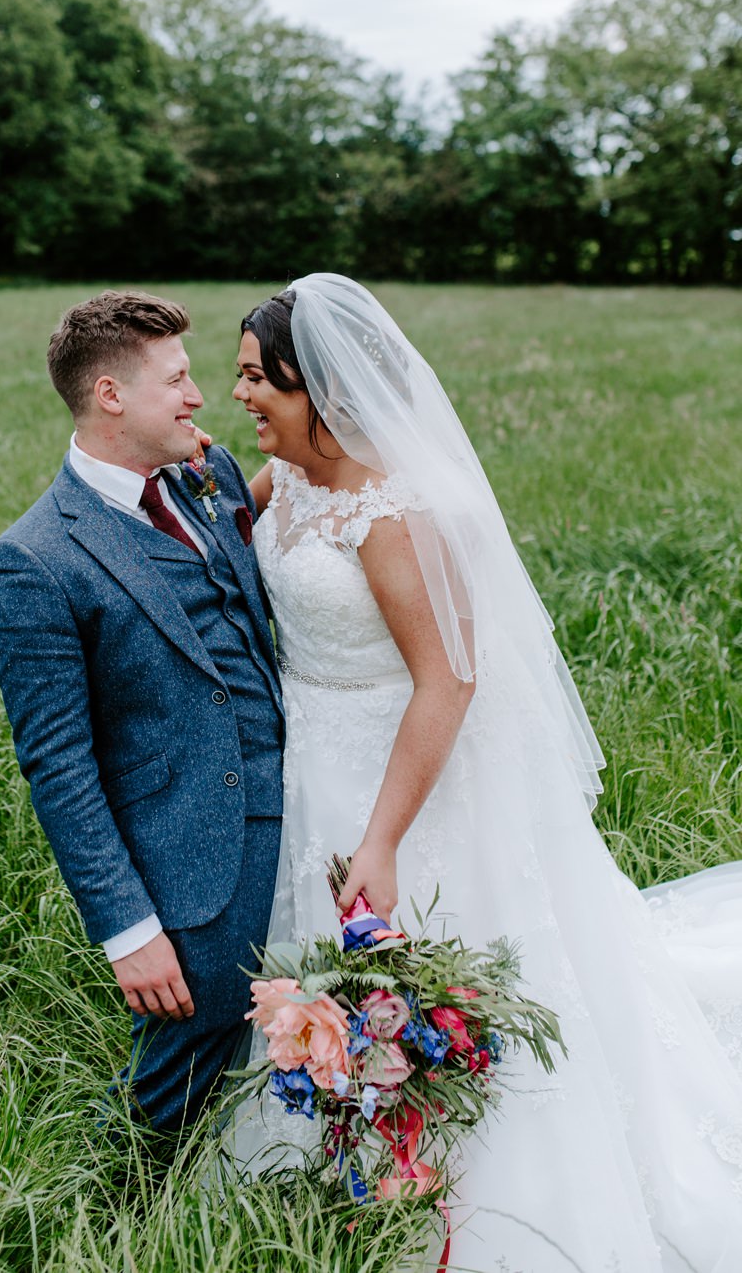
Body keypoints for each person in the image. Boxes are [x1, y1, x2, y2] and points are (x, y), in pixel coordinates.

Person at [230, 273, 742, 1272]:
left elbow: (447, 683)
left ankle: (464, 1186)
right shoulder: (283, 474)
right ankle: (328, 1154)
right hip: (310, 762)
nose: (239, 395)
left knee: (435, 956)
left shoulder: (392, 512)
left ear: (322, 396)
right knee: (321, 962)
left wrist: (380, 836)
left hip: (405, 774)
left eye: (260, 380)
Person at [0, 290, 284, 1144]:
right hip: (188, 859)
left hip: (312, 805)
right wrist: (128, 929)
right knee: (184, 1064)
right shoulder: (34, 560)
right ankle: (110, 1214)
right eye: (177, 379)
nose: (198, 396)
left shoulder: (212, 474)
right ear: (111, 395)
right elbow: (59, 765)